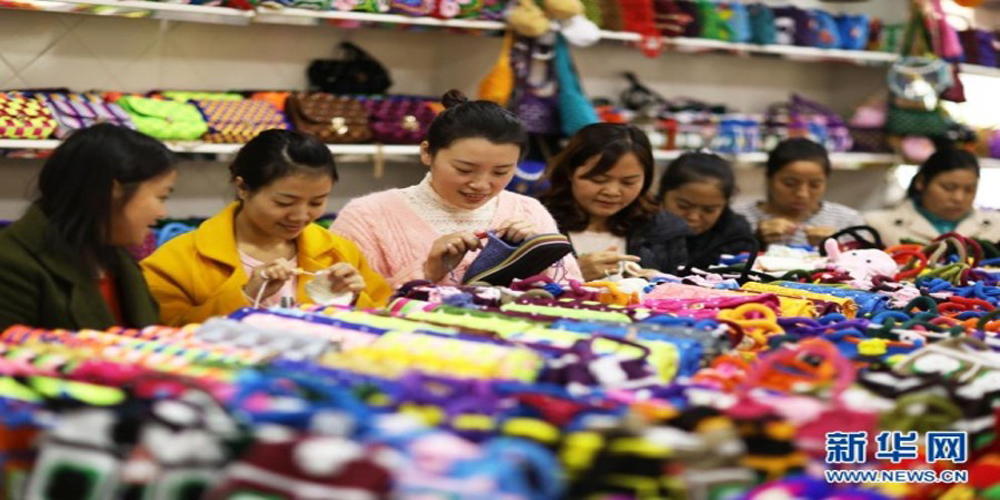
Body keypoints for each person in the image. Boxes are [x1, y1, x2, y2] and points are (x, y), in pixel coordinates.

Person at [331, 90, 582, 288]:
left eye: (500, 172)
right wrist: (427, 272)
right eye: (464, 169)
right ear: (427, 153)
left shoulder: (528, 211)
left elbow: (571, 295)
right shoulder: (367, 217)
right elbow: (336, 302)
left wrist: (539, 257)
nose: (481, 184)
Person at [142, 129, 391, 326]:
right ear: (243, 188)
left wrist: (354, 298)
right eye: (284, 202)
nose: (301, 215)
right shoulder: (178, 260)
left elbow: (385, 322)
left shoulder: (339, 252)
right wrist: (245, 295)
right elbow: (160, 333)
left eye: (316, 202)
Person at [0, 124, 176, 330]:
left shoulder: (118, 259)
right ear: (112, 191)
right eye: (160, 197)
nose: (162, 213)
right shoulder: (11, 264)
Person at [539, 123, 689, 281]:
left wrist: (659, 282)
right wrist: (572, 274)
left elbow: (683, 289)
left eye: (628, 182)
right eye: (598, 180)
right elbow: (523, 288)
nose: (612, 192)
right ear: (570, 172)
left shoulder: (664, 229)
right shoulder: (536, 224)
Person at [733, 138, 863, 247]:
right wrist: (755, 240)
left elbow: (866, 261)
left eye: (815, 185)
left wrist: (835, 246)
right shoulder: (737, 217)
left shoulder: (847, 221)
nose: (802, 194)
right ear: (769, 179)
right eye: (790, 184)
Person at [866, 145, 1000, 245]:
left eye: (969, 189)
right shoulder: (876, 226)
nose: (959, 198)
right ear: (921, 182)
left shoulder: (996, 227)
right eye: (948, 188)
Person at [658, 151, 755, 270]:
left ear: (724, 205)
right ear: (663, 194)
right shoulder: (643, 223)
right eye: (683, 206)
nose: (694, 217)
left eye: (709, 210)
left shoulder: (735, 234)